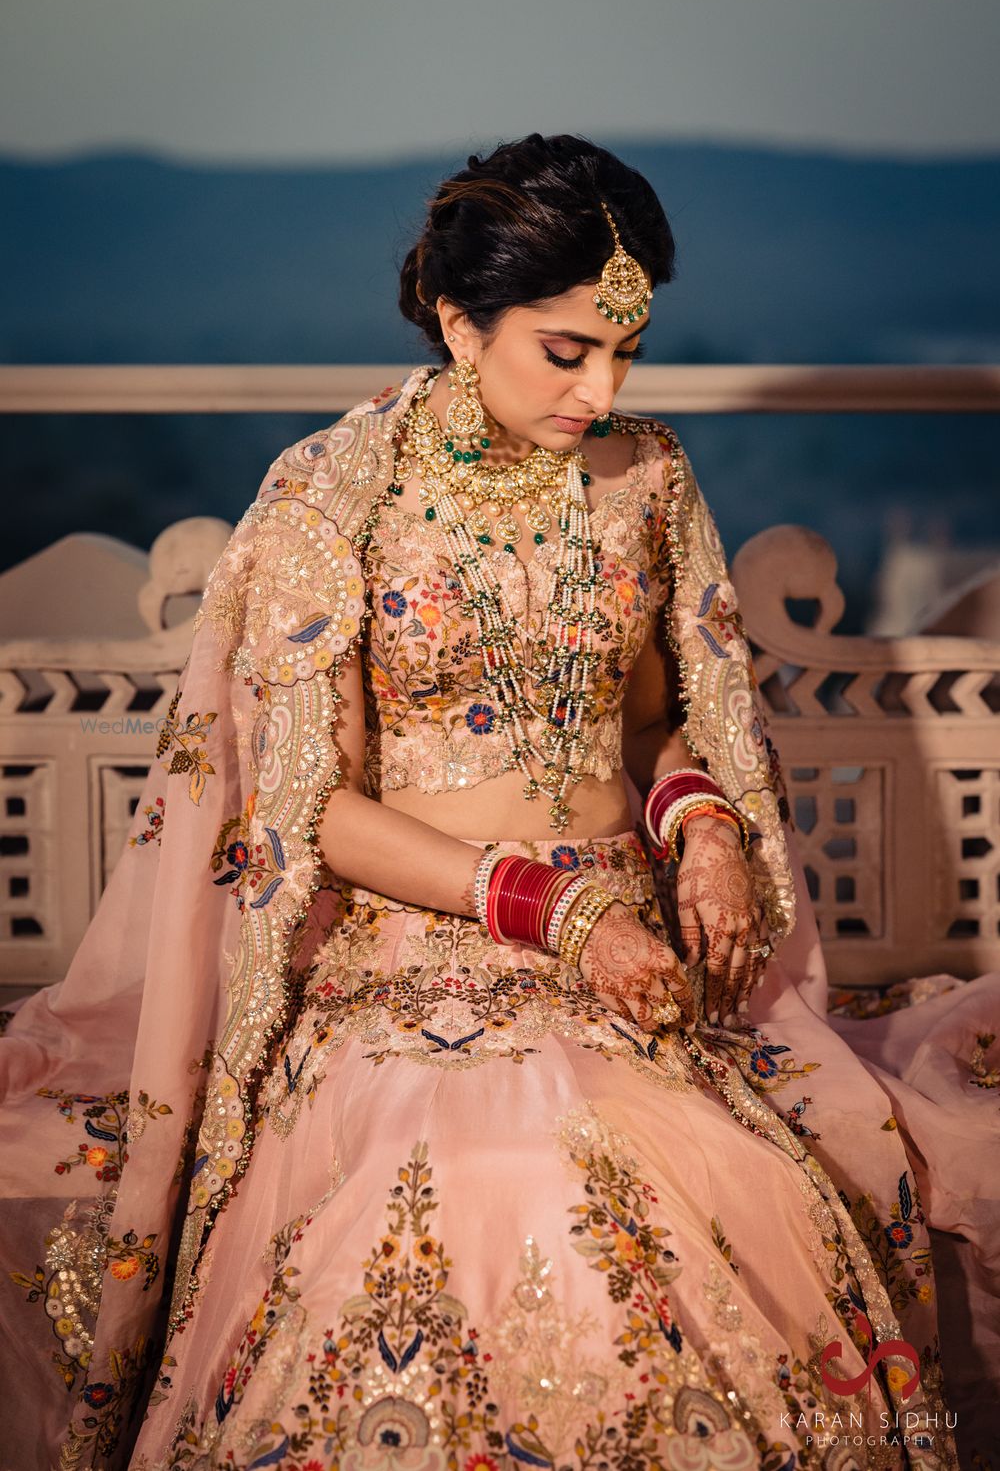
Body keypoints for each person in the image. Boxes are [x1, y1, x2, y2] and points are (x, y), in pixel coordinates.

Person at [1, 132, 994, 1471]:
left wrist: (701, 826)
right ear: (463, 325)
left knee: (731, 1173)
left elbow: (657, 721)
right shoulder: (333, 498)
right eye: (566, 350)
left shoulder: (646, 478)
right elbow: (312, 812)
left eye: (625, 350)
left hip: (633, 958)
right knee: (492, 1163)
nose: (603, 387)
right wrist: (555, 912)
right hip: (412, 957)